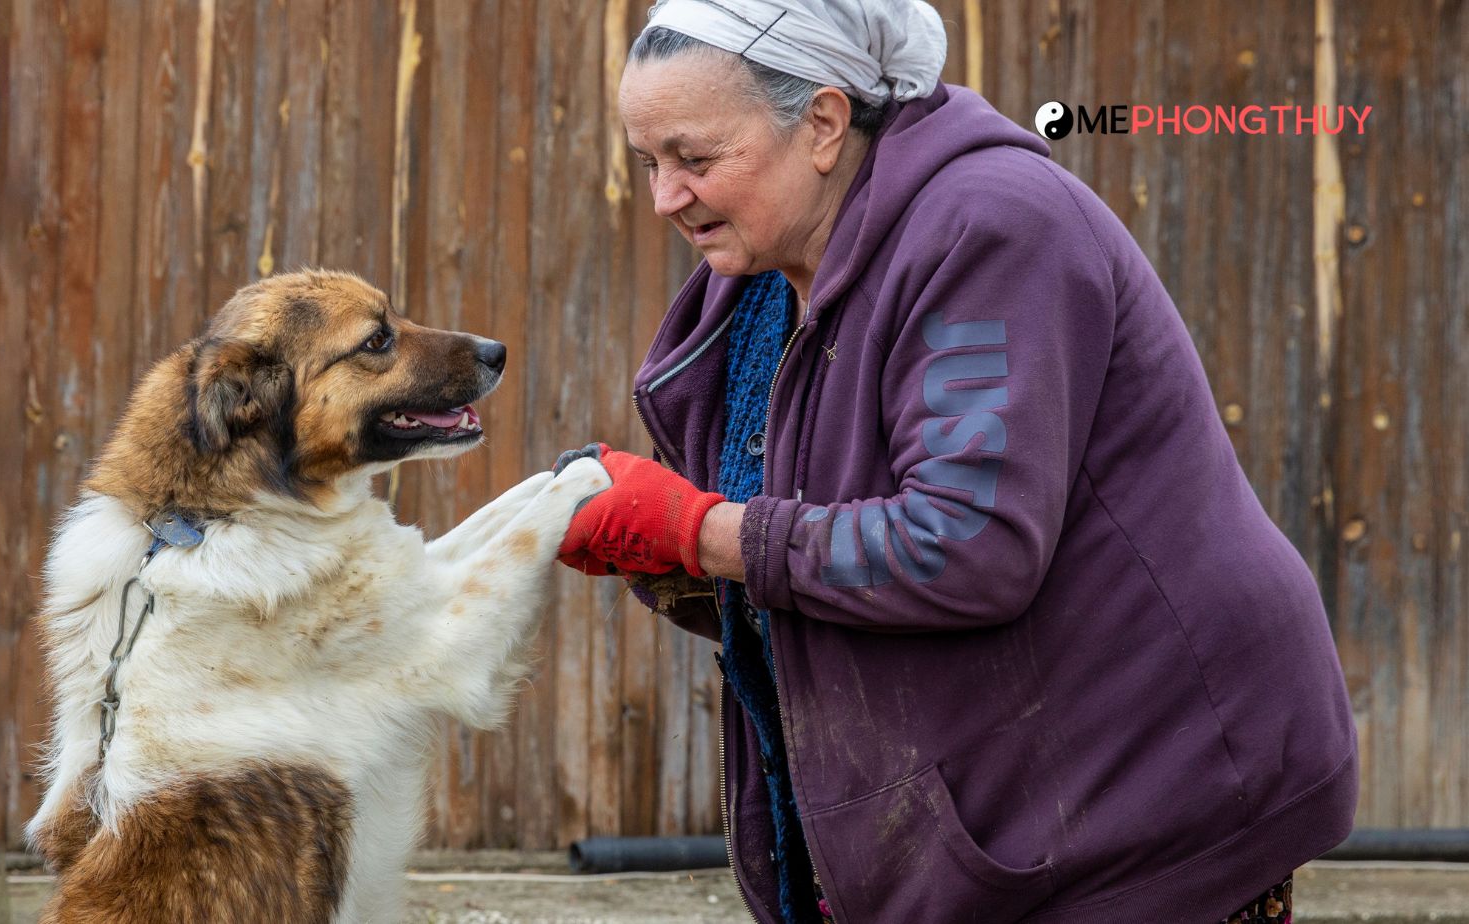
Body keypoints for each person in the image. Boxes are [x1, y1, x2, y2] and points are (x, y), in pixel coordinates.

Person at [550, 2, 1358, 922]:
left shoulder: (991, 229)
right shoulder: (767, 281)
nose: (665, 197)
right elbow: (815, 552)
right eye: (649, 164)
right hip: (1015, 793)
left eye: (695, 159)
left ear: (821, 123)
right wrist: (675, 558)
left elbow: (965, 546)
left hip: (1146, 791)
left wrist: (702, 533)